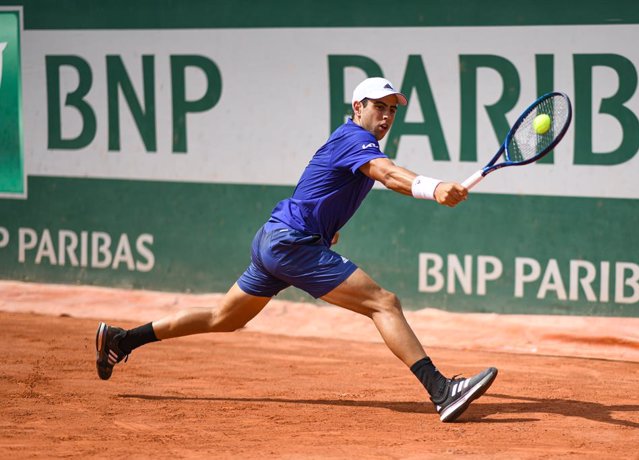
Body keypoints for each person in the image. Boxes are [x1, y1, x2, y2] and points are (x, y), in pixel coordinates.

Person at [96, 77, 498, 423]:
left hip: (277, 238)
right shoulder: (355, 139)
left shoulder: (353, 142)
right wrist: (434, 187)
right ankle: (442, 390)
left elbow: (328, 191)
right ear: (358, 107)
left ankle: (121, 340)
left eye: (393, 109)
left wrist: (326, 231)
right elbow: (388, 174)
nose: (387, 116)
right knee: (384, 303)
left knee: (224, 317)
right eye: (379, 107)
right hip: (290, 243)